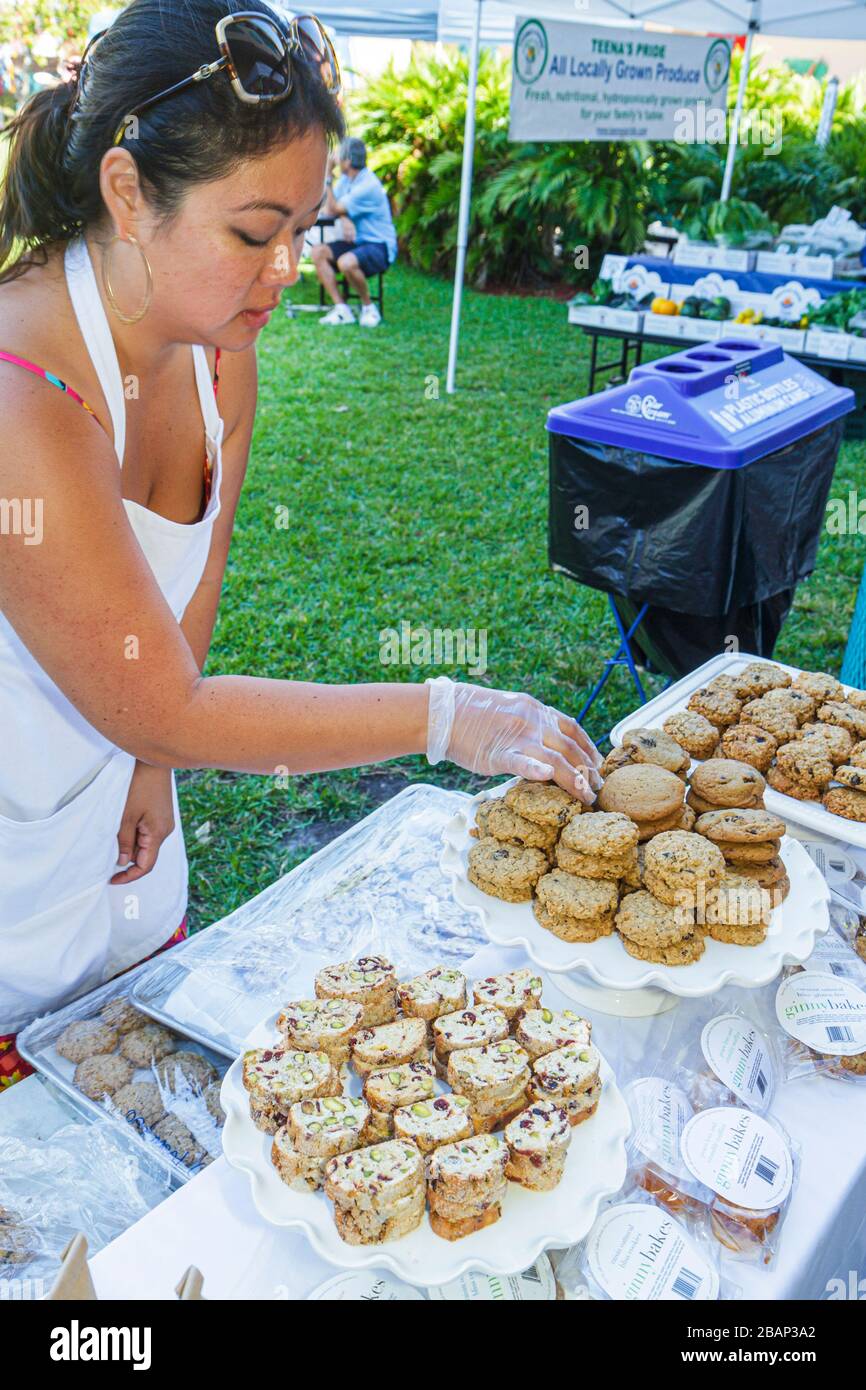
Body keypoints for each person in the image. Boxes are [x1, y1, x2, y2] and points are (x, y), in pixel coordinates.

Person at [0, 0, 601, 1087]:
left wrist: (150, 763)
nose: (286, 269)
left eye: (301, 227)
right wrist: (447, 714)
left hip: (125, 836)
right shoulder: (21, 400)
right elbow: (165, 700)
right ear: (128, 194)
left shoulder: (221, 354)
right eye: (252, 231)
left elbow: (187, 594)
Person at [311, 135, 396, 328]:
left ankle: (368, 308)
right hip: (358, 242)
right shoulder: (348, 180)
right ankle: (342, 309)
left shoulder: (368, 185)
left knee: (346, 262)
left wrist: (327, 177)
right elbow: (327, 206)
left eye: (339, 156)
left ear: (348, 161)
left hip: (379, 245)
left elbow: (332, 208)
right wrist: (344, 217)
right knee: (318, 252)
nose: (335, 160)